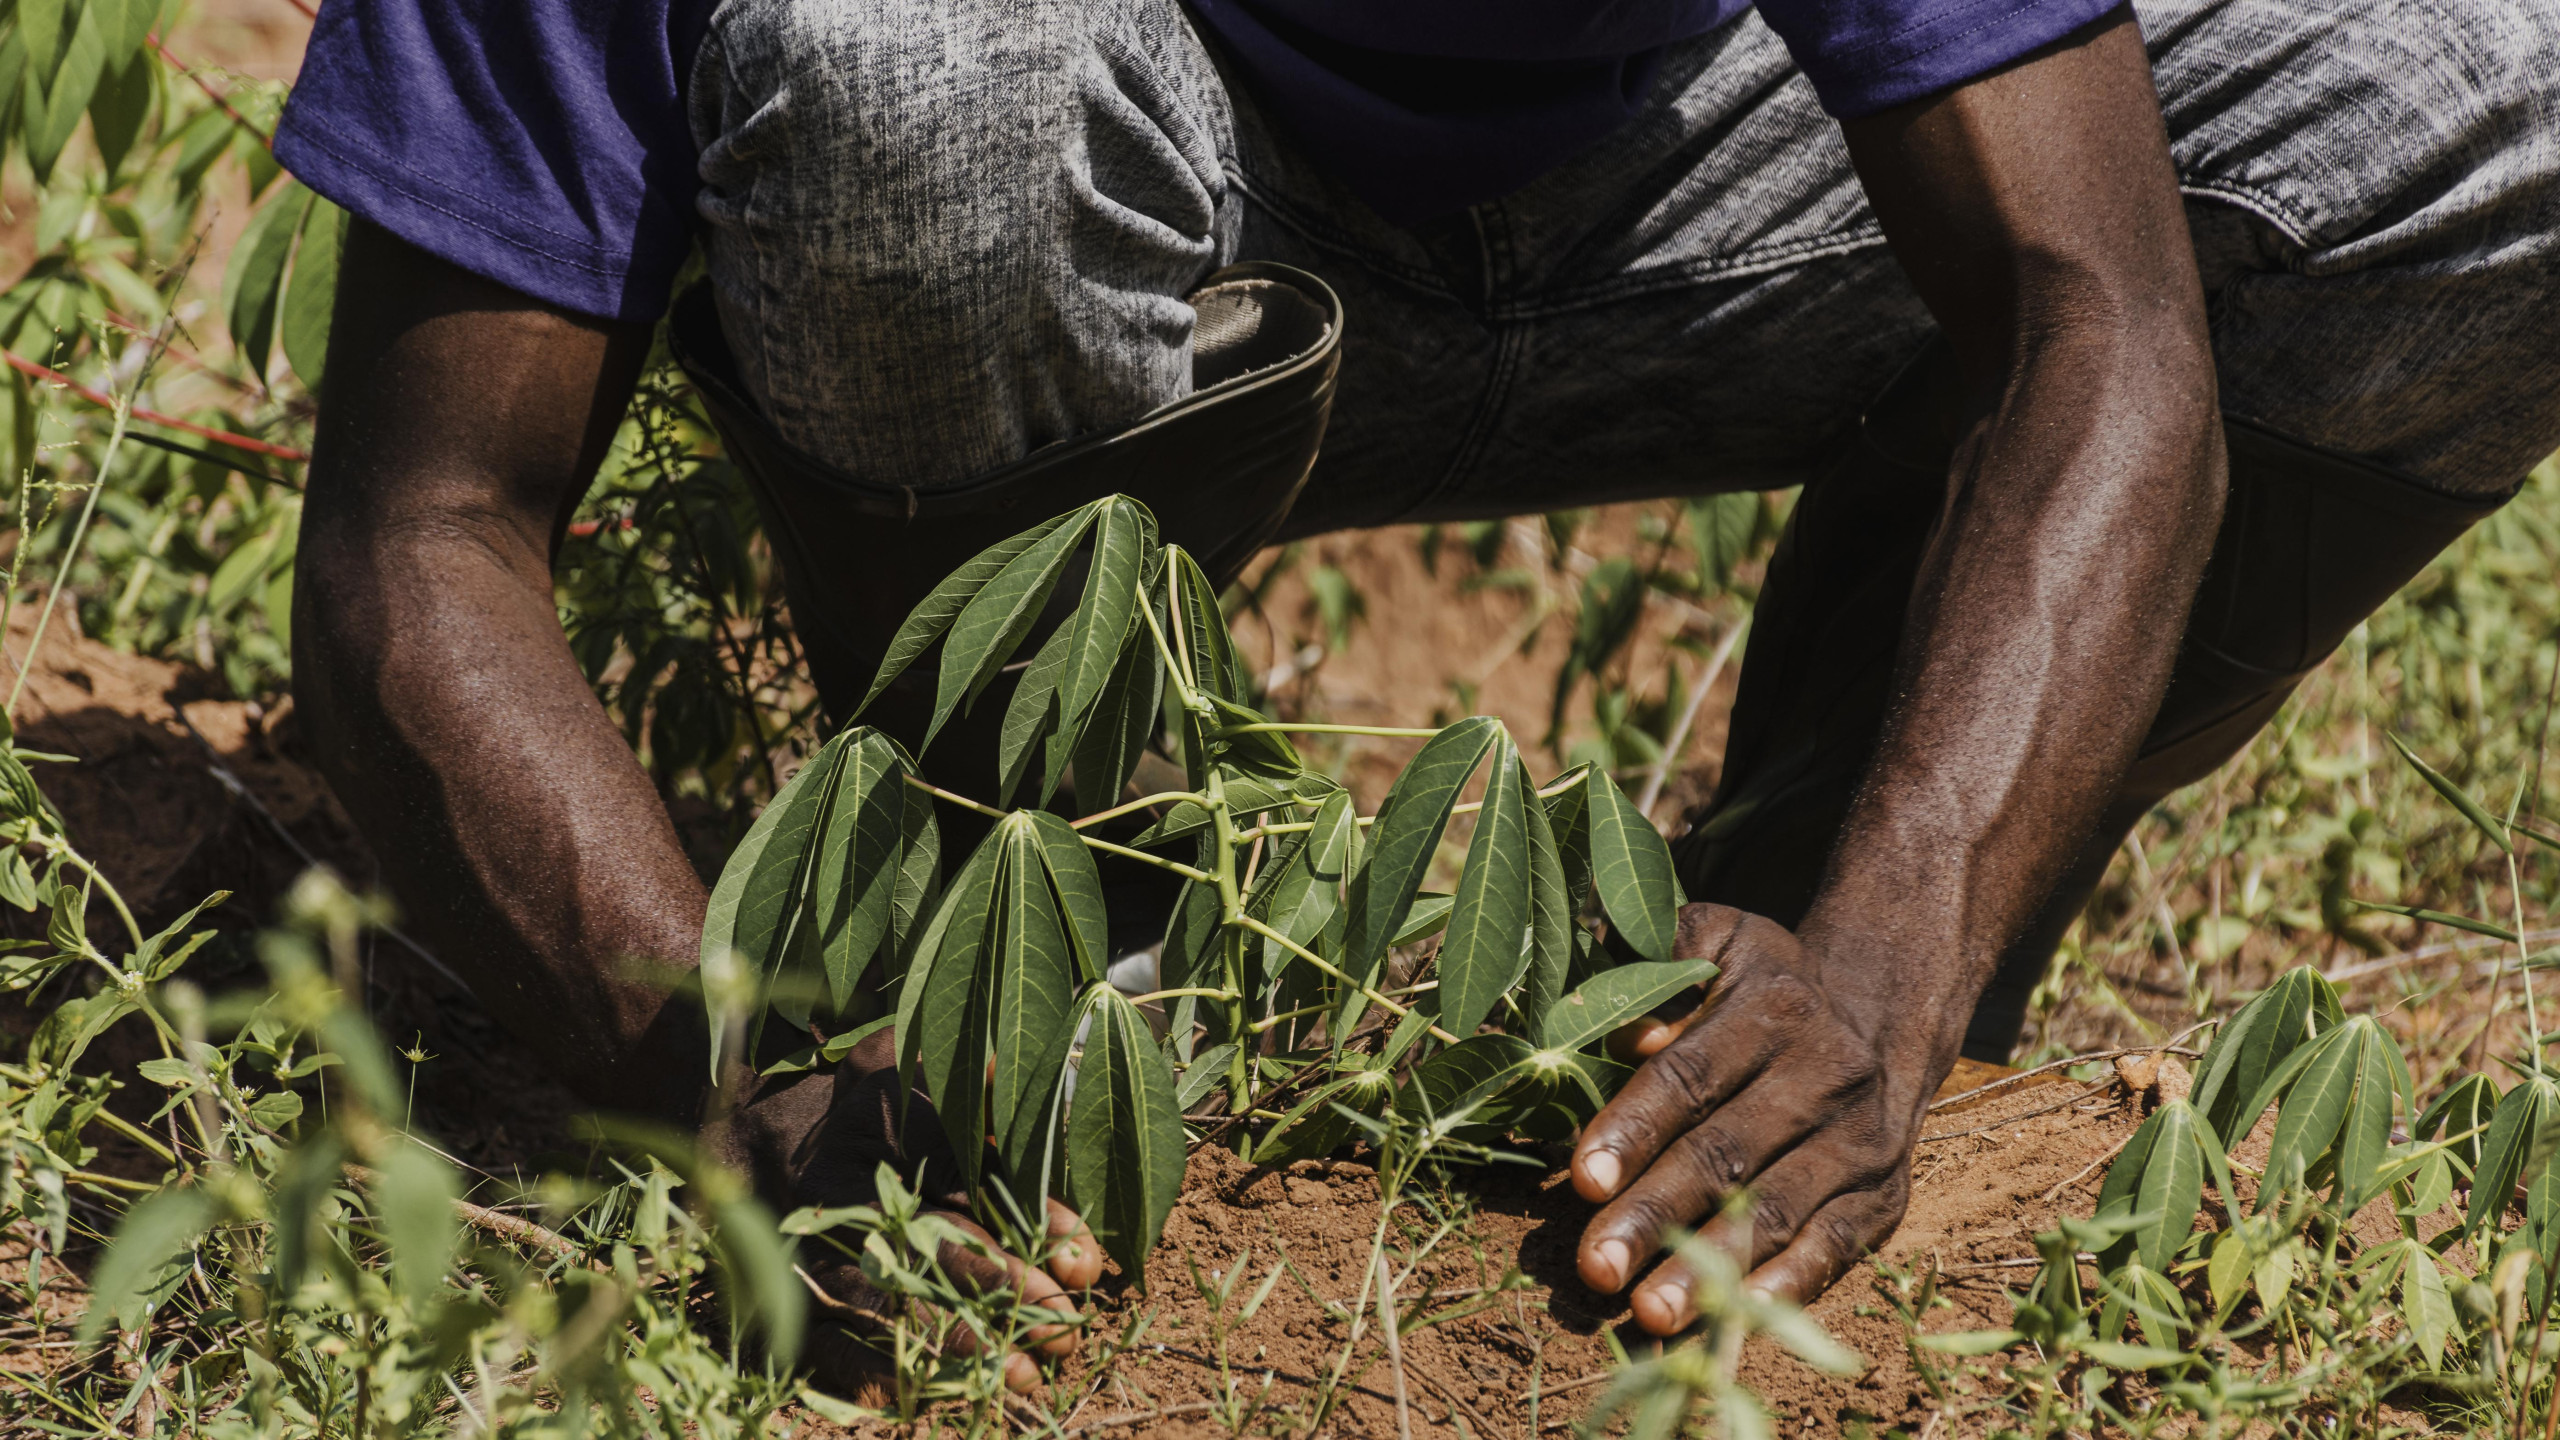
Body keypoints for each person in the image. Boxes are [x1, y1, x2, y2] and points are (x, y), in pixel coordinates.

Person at [277, 0, 2560, 1390]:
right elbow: (421, 527)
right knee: (906, 62)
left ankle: (1737, 1007)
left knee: (2495, 98)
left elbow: (2099, 304)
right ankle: (1042, 986)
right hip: (1101, 221)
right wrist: (731, 1089)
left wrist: (1894, 941)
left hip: (1701, 207)